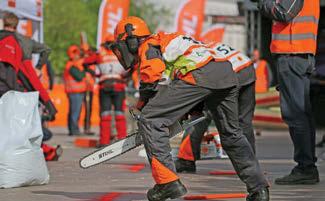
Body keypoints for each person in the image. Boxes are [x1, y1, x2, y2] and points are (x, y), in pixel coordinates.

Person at [112, 16, 269, 201]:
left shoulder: (149, 44)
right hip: (224, 73)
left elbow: (150, 77)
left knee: (151, 120)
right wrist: (190, 108)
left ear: (130, 40)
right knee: (232, 134)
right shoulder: (168, 40)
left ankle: (167, 183)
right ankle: (259, 188)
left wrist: (142, 104)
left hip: (199, 74)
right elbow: (174, 88)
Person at [256, 0, 320, 185]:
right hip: (296, 55)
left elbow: (284, 12)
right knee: (301, 114)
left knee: (296, 114)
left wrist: (264, 3)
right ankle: (306, 167)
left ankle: (305, 167)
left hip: (293, 55)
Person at [175, 51, 257, 173]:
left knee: (200, 115)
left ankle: (186, 160)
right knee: (244, 120)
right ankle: (250, 164)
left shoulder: (191, 58)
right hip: (247, 68)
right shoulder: (208, 47)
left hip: (227, 74)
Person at [0, 11, 57, 120]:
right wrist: (48, 104)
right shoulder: (22, 42)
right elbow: (30, 76)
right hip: (14, 92)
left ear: (4, 23)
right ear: (16, 26)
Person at [83, 37, 129, 146]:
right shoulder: (120, 54)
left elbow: (85, 62)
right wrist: (126, 76)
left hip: (105, 86)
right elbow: (133, 65)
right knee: (119, 113)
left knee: (105, 115)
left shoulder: (100, 55)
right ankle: (122, 140)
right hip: (119, 85)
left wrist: (95, 74)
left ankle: (104, 141)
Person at [63, 45, 87, 136]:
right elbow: (79, 77)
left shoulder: (71, 65)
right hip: (75, 92)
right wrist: (85, 70)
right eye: (76, 53)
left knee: (73, 111)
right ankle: (74, 130)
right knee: (75, 112)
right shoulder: (72, 66)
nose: (78, 55)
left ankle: (72, 129)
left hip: (74, 92)